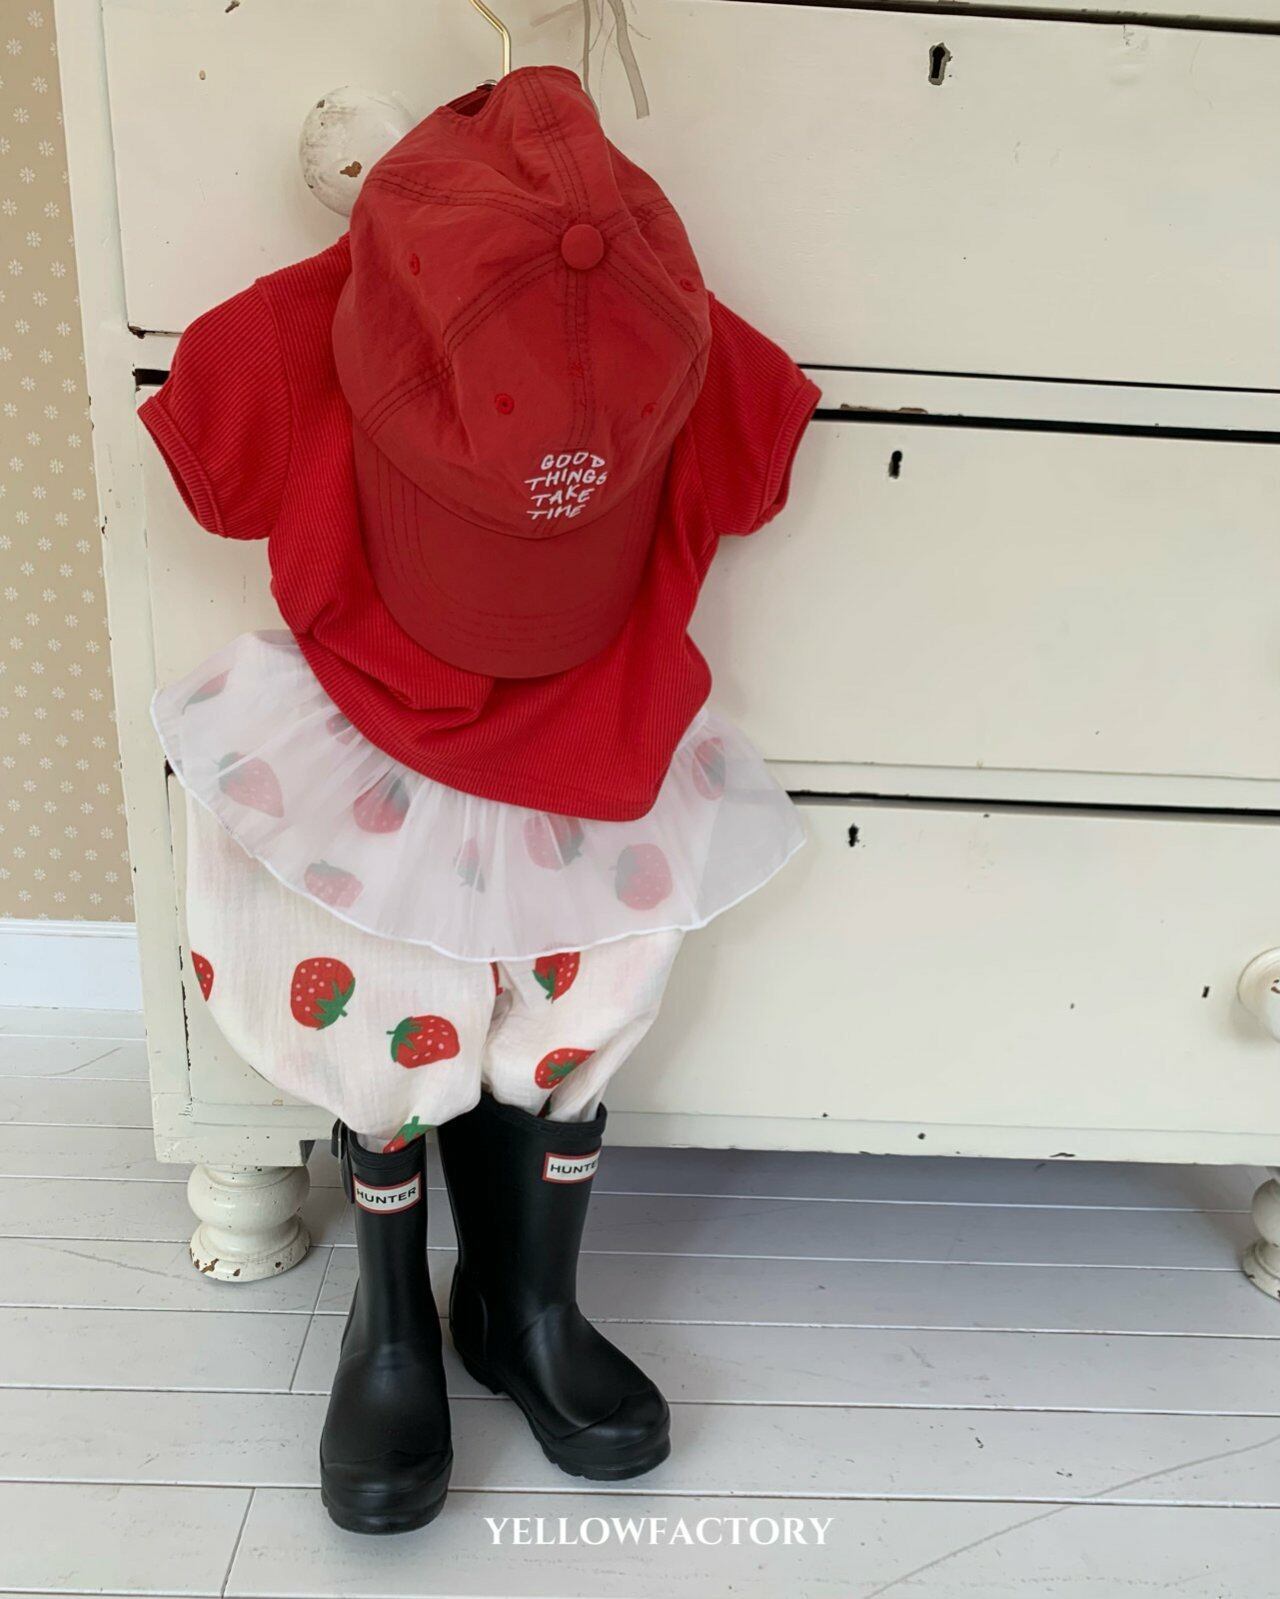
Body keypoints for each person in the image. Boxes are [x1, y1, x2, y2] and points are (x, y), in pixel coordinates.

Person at [140, 64, 819, 1535]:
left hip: (597, 733)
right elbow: (210, 453)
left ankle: (522, 1305)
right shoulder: (309, 326)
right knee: (372, 1007)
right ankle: (390, 1315)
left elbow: (757, 450)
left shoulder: (678, 338)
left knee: (587, 1001)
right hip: (363, 728)